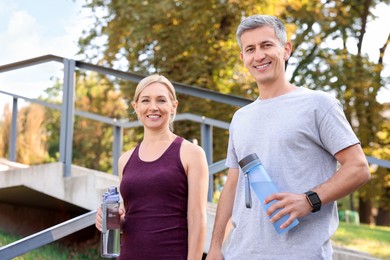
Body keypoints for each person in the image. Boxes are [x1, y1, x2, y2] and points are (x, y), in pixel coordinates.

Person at [206, 15, 371, 260]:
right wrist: (216, 246)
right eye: (250, 49)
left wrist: (309, 199)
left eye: (266, 45)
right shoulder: (240, 117)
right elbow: (232, 184)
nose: (259, 55)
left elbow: (359, 168)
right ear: (243, 58)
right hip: (240, 254)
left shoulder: (318, 104)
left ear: (286, 49)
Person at [96, 74, 209, 259]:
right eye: (145, 100)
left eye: (161, 100)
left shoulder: (192, 153)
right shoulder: (125, 160)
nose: (153, 107)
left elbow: (198, 219)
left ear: (174, 105)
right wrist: (111, 220)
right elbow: (134, 216)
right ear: (136, 106)